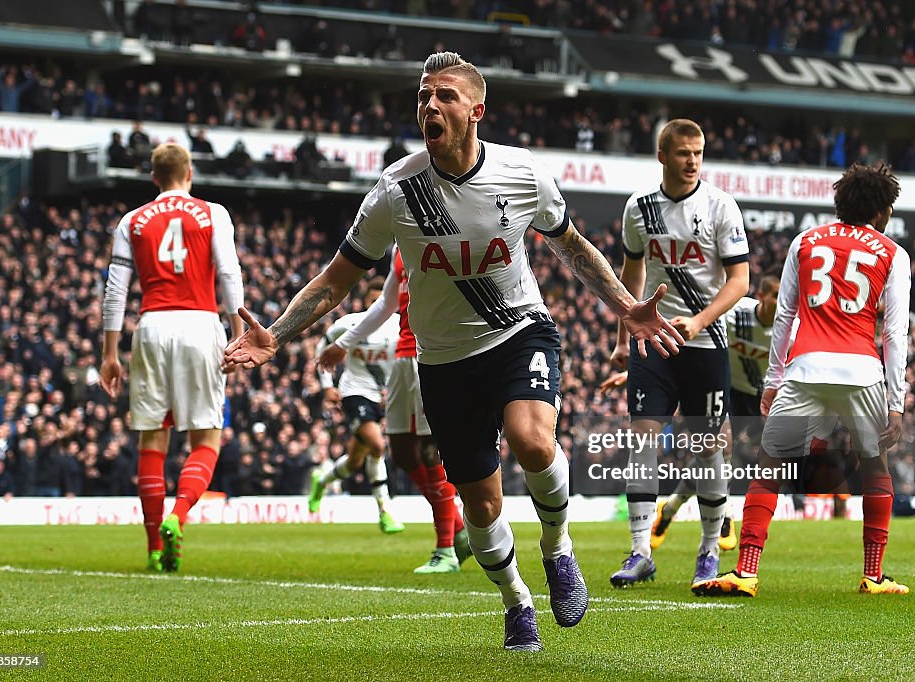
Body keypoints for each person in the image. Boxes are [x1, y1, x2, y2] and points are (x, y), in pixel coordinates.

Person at [223, 51, 683, 652]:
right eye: (422, 96)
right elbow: (339, 280)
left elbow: (572, 248)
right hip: (442, 361)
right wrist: (276, 335)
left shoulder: (522, 174)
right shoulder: (396, 189)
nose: (429, 106)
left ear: (476, 110)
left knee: (534, 440)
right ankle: (517, 601)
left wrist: (627, 304)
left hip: (520, 331)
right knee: (481, 501)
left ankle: (558, 547)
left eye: (443, 95)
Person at [693, 162, 911, 597]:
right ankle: (874, 575)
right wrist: (896, 402)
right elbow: (893, 332)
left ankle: (746, 571)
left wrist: (772, 382)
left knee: (770, 464)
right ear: (883, 211)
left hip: (805, 368)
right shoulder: (892, 253)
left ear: (840, 203)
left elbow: (785, 317)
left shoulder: (805, 242)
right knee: (875, 467)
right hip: (861, 371)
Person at [608, 118, 749, 592]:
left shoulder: (720, 207)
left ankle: (709, 551)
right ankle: (639, 552)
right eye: (684, 153)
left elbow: (740, 281)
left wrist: (701, 320)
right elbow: (632, 274)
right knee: (643, 436)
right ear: (663, 156)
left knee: (704, 448)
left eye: (698, 153)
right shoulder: (639, 209)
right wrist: (625, 328)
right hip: (654, 343)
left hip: (706, 344)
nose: (692, 161)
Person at [100, 143, 244, 573]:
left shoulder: (132, 220)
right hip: (201, 324)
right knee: (205, 438)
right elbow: (229, 271)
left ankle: (152, 548)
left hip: (151, 326)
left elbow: (115, 290)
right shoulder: (213, 212)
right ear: (190, 173)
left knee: (152, 439)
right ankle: (177, 517)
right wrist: (238, 333)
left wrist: (109, 352)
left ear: (153, 178)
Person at [318, 245, 472, 574]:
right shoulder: (400, 247)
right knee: (402, 452)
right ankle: (458, 530)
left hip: (431, 354)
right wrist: (343, 345)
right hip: (403, 361)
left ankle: (445, 549)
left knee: (432, 453)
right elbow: (386, 304)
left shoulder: (447, 235)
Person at [649, 275, 783, 552]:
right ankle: (725, 514)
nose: (780, 303)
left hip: (758, 397)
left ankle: (669, 508)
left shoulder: (788, 329)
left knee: (705, 461)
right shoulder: (735, 313)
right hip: (725, 387)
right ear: (762, 295)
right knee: (723, 447)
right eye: (775, 295)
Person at [309, 277, 406, 534]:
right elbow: (323, 346)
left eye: (382, 300)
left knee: (354, 462)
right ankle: (385, 511)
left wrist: (397, 388)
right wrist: (327, 385)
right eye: (372, 301)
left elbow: (409, 359)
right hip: (354, 392)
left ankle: (323, 479)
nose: (377, 305)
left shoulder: (400, 327)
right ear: (365, 302)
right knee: (377, 445)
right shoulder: (351, 324)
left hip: (384, 396)